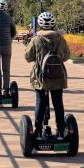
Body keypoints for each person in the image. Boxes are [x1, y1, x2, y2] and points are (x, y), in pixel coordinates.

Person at [25, 11, 71, 139]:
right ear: (53, 24)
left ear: (40, 25)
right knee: (58, 103)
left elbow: (28, 57)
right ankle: (61, 131)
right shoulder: (61, 39)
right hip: (58, 76)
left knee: (40, 102)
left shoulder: (36, 39)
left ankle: (38, 132)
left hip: (41, 77)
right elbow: (66, 56)